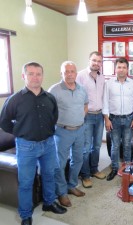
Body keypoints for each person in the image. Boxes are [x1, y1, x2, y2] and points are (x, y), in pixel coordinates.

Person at [0, 62, 67, 225]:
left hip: (49, 144)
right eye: (31, 74)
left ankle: (49, 203)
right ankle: (25, 215)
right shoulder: (15, 99)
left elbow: (54, 117)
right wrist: (21, 132)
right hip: (26, 147)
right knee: (26, 182)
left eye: (38, 74)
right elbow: (4, 122)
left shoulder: (49, 97)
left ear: (42, 76)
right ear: (24, 76)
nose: (35, 77)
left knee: (49, 175)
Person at [49, 61, 88, 207]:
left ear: (76, 74)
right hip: (62, 132)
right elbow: (49, 112)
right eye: (66, 71)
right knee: (60, 163)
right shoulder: (54, 90)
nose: (70, 74)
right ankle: (62, 192)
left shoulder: (82, 89)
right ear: (61, 73)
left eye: (72, 71)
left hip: (80, 130)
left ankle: (72, 185)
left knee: (78, 159)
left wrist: (81, 118)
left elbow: (85, 105)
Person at [103, 57, 133, 181]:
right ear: (116, 68)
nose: (121, 69)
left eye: (124, 67)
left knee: (127, 145)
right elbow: (105, 103)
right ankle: (114, 168)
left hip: (129, 119)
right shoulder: (108, 83)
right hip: (114, 119)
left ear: (127, 69)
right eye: (119, 67)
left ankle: (127, 168)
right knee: (115, 146)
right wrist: (106, 119)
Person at [76, 51, 106, 189]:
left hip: (99, 115)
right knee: (86, 147)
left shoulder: (102, 77)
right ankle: (85, 175)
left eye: (99, 61)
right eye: (94, 60)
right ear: (89, 60)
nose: (96, 63)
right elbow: (76, 96)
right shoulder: (81, 76)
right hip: (87, 116)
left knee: (97, 146)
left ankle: (94, 169)